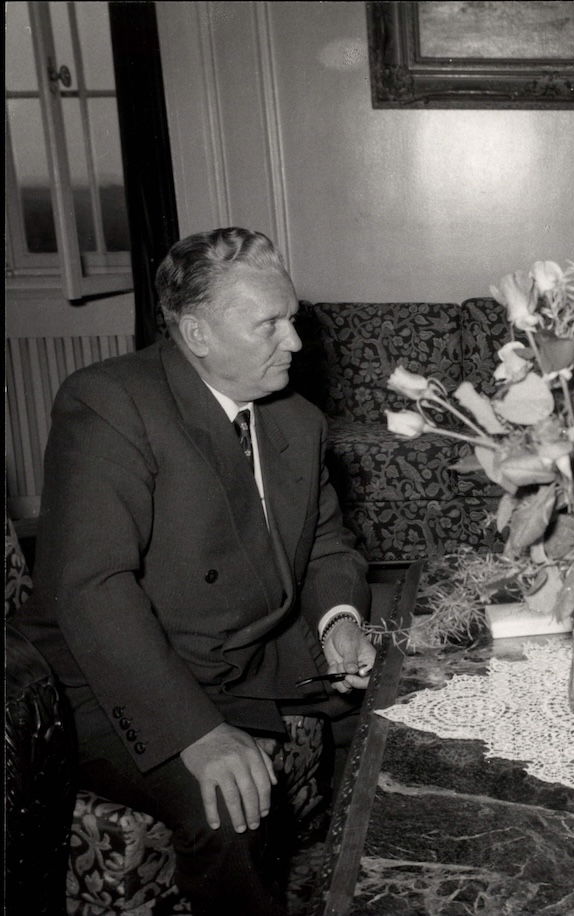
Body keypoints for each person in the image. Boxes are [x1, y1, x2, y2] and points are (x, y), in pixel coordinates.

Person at [15, 228, 375, 915]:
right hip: (111, 676)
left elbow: (328, 544)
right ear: (196, 334)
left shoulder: (296, 420)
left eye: (292, 318)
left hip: (243, 653)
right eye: (269, 324)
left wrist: (339, 622)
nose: (295, 343)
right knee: (229, 810)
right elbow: (94, 591)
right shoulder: (107, 404)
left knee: (398, 706)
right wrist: (196, 734)